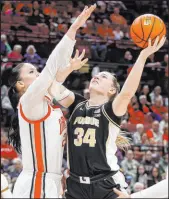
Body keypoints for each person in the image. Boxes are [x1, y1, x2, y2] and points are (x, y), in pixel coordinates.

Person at [48, 33, 166, 197]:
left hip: (106, 184)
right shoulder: (77, 103)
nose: (96, 76)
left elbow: (126, 93)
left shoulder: (111, 109)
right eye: (96, 75)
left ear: (112, 90)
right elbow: (52, 87)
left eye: (103, 77)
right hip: (75, 185)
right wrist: (68, 68)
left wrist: (143, 55)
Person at [7, 5, 96, 198]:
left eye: (36, 71)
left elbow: (54, 79)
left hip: (51, 181)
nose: (37, 74)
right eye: (32, 72)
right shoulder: (28, 102)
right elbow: (51, 69)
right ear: (20, 84)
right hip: (38, 182)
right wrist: (74, 28)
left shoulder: (43, 100)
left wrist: (68, 69)